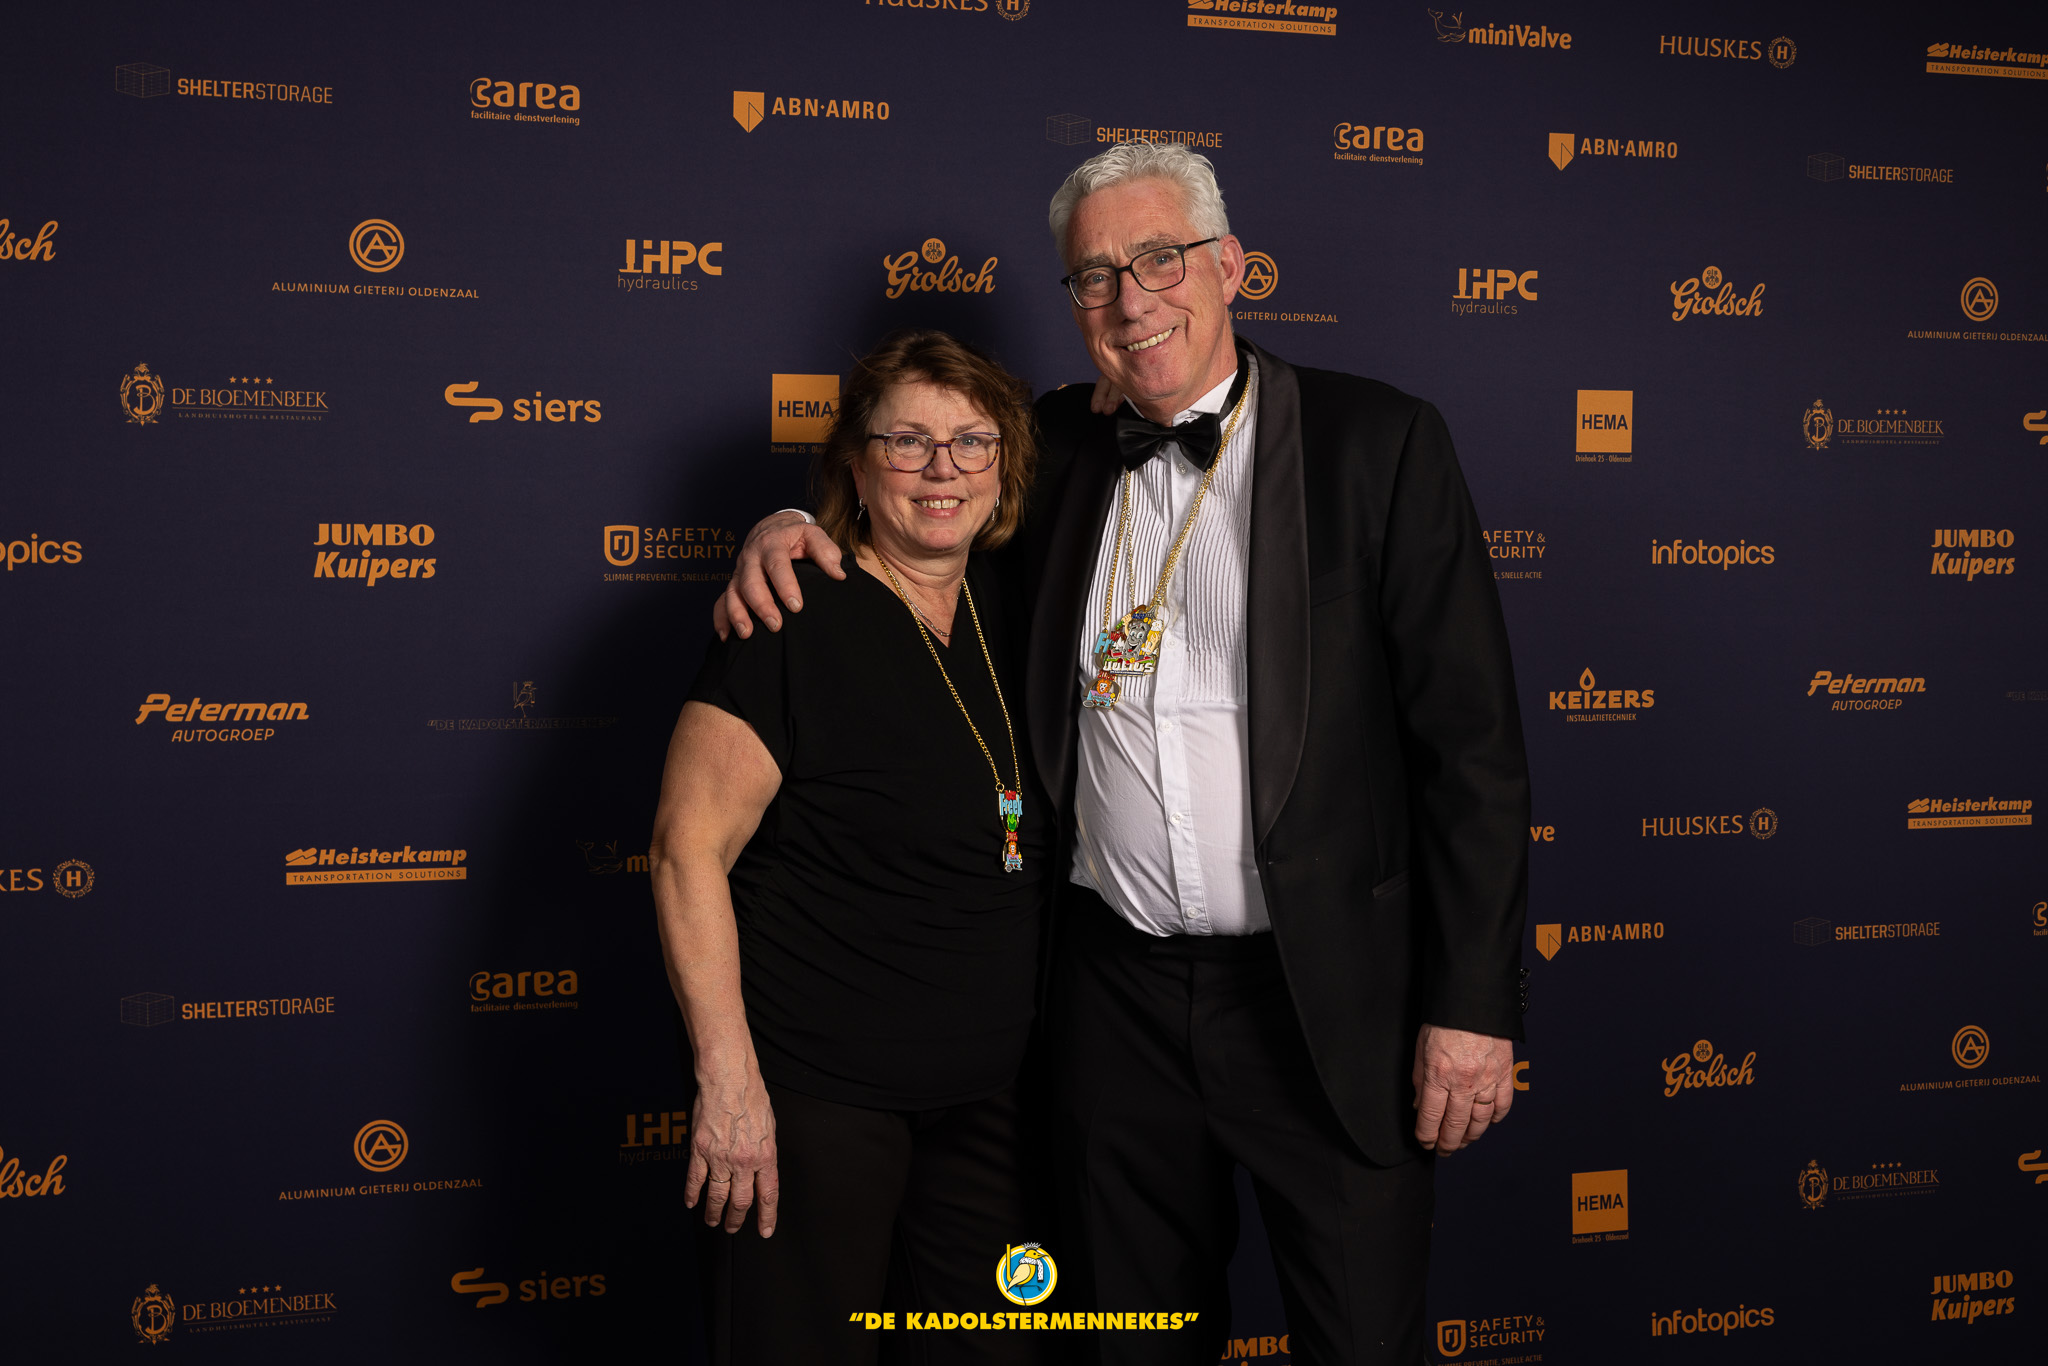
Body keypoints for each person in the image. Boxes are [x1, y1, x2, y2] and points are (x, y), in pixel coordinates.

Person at [716, 144, 1529, 1366]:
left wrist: (1468, 1006)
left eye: (1159, 259)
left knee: (1361, 1339)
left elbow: (1472, 750)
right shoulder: (1051, 443)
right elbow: (915, 497)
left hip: (1323, 1000)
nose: (1130, 299)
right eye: (1093, 276)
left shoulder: (1378, 442)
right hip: (1113, 1004)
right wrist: (789, 522)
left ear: (1231, 267)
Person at [650, 329, 1052, 1366]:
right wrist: (729, 1085)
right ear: (855, 467)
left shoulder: (1017, 604)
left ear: (1003, 464)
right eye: (905, 441)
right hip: (814, 1103)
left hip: (989, 1105)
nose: (941, 469)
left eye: (970, 442)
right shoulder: (788, 613)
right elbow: (685, 851)